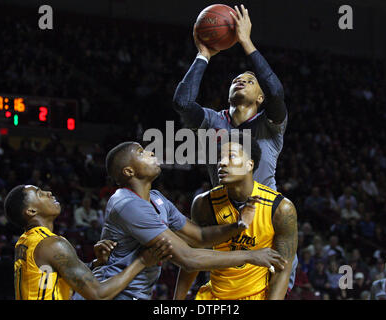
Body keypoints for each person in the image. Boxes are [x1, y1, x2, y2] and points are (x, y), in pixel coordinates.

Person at [172, 3, 297, 291]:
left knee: (270, 289)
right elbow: (182, 103)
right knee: (219, 291)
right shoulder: (213, 121)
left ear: (260, 99)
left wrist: (246, 42)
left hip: (265, 218)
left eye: (250, 80)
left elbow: (277, 92)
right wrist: (203, 55)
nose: (241, 79)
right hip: (220, 216)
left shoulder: (271, 124)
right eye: (236, 79)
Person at [73, 141, 287, 300]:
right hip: (111, 292)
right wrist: (251, 256)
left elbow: (200, 236)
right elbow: (188, 257)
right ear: (129, 171)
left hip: (134, 293)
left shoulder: (157, 198)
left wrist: (238, 226)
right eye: (141, 152)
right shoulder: (127, 204)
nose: (150, 152)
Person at [174, 134, 297, 300]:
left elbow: (283, 270)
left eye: (231, 156)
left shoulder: (281, 209)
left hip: (257, 295)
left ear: (249, 164)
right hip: (214, 296)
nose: (222, 163)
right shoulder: (204, 204)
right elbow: (193, 257)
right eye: (219, 158)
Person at [3, 184, 173, 300]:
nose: (48, 193)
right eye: (40, 194)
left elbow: (51, 276)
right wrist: (141, 261)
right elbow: (99, 295)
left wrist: (95, 263)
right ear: (31, 211)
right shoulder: (51, 244)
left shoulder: (25, 242)